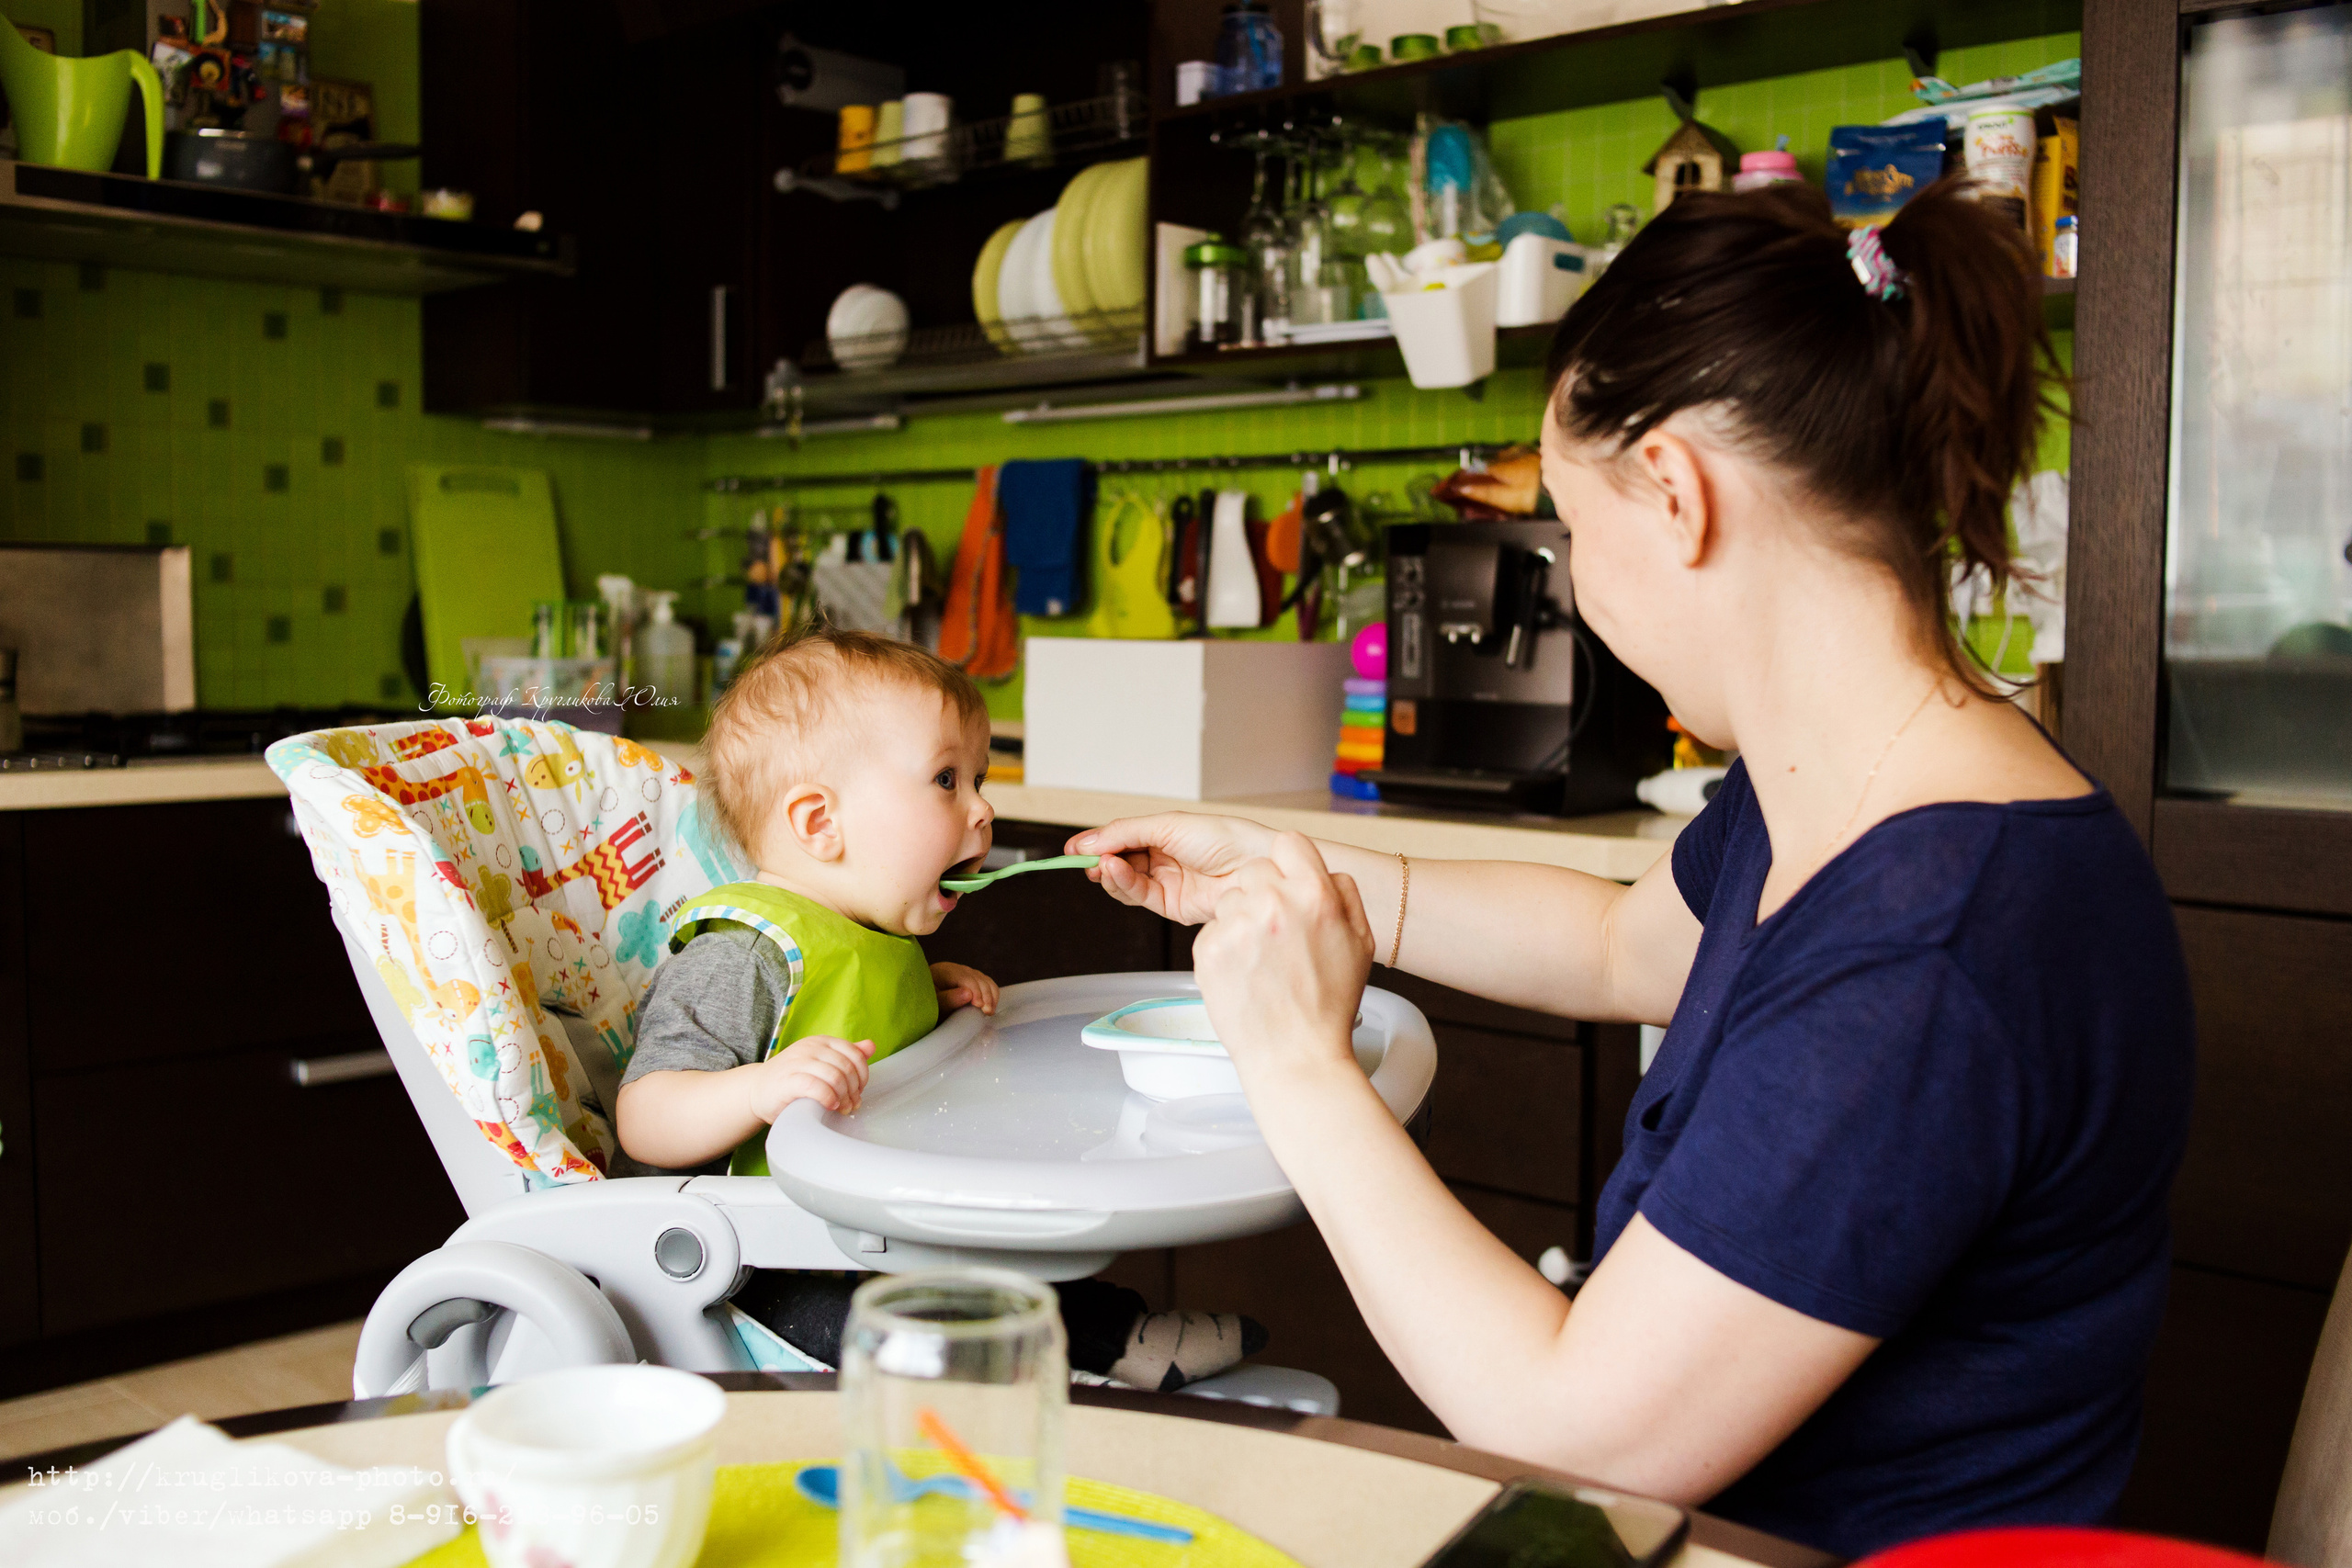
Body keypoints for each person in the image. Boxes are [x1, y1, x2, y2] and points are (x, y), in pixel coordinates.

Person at [1069, 181, 2195, 1557]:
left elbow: (1575, 1429)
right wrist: (1289, 861)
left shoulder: (1934, 942)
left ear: (1674, 491)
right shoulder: (1857, 788)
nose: (1576, 585)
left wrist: (1297, 1061)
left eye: (1571, 528)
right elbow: (1614, 942)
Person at [617, 626, 1263, 1389]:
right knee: (951, 1320)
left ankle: (1119, 1330)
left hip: (882, 1234)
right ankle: (1098, 1351)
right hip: (774, 1274)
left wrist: (929, 996)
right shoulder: (750, 953)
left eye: (979, 778)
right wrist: (760, 1088)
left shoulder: (873, 938)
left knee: (1009, 1266)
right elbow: (646, 1119)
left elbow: (876, 1043)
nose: (984, 809)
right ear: (821, 823)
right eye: (947, 780)